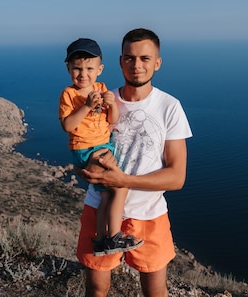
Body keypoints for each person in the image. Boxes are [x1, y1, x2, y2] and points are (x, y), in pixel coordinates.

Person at [76, 28, 192, 297]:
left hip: (149, 214)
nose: (136, 65)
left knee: (155, 291)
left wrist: (123, 181)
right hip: (99, 211)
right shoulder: (101, 99)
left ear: (157, 63)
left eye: (145, 58)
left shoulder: (169, 107)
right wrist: (81, 169)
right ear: (120, 61)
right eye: (129, 58)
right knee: (96, 288)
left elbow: (177, 177)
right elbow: (80, 146)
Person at [59, 37, 144, 257]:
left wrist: (111, 104)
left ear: (100, 69)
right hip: (86, 149)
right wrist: (87, 106)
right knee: (121, 187)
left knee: (106, 196)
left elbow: (112, 119)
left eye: (89, 68)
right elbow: (68, 125)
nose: (82, 74)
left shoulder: (101, 88)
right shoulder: (69, 94)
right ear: (68, 68)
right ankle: (114, 236)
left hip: (102, 145)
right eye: (77, 68)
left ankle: (100, 240)